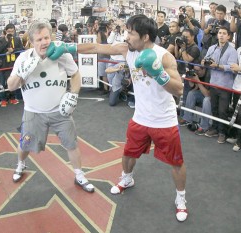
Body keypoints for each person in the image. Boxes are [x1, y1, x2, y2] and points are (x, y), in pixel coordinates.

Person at [46, 14, 187, 222]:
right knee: (128, 154)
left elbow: (179, 89)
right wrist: (68, 47)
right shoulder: (125, 49)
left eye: (131, 33)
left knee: (176, 162)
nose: (126, 37)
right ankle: (127, 179)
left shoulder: (164, 56)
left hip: (164, 121)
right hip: (140, 118)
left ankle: (181, 198)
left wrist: (159, 74)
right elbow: (96, 48)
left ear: (145, 36)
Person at [7, 22, 94, 193]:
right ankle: (20, 164)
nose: (44, 42)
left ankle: (79, 175)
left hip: (60, 110)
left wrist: (74, 94)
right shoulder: (23, 58)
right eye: (39, 39)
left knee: (71, 144)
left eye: (46, 37)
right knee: (25, 145)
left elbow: (75, 74)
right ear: (32, 42)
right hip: (33, 112)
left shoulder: (61, 54)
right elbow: (11, 86)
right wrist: (21, 72)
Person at [202, 26, 238, 143]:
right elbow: (206, 60)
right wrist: (204, 62)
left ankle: (223, 132)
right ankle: (215, 128)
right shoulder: (212, 48)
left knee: (223, 111)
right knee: (214, 108)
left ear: (228, 36)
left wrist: (217, 66)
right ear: (217, 35)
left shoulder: (232, 51)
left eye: (224, 33)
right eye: (220, 33)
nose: (221, 35)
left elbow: (232, 68)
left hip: (225, 85)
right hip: (213, 83)